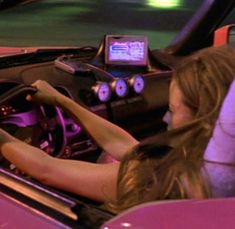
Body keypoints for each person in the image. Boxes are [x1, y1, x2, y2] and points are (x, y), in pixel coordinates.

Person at [1, 45, 235, 214]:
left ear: (204, 117)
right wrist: (64, 102)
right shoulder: (211, 168)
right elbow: (131, 149)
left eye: (173, 110)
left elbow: (47, 170)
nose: (166, 118)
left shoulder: (173, 181)